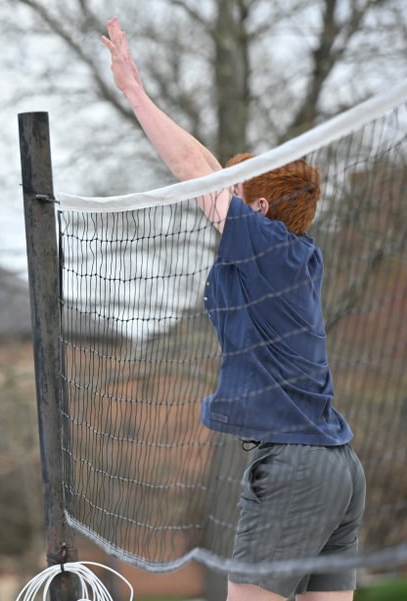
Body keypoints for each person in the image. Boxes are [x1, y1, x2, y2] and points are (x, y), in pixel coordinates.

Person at [101, 16, 365, 601]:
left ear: (262, 207)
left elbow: (194, 172)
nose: (223, 197)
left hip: (295, 465)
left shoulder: (265, 245)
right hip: (339, 467)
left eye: (238, 190)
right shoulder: (294, 255)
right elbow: (210, 170)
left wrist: (135, 93)